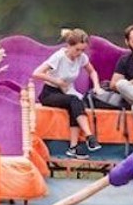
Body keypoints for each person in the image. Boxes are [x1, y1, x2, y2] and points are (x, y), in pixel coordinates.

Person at [32, 28, 104, 158]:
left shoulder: (81, 58)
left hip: (67, 92)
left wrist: (97, 86)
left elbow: (92, 71)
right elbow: (37, 73)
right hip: (50, 93)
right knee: (73, 100)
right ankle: (89, 136)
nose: (80, 53)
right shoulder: (59, 56)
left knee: (76, 104)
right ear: (69, 46)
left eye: (83, 50)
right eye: (77, 50)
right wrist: (56, 81)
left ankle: (73, 148)